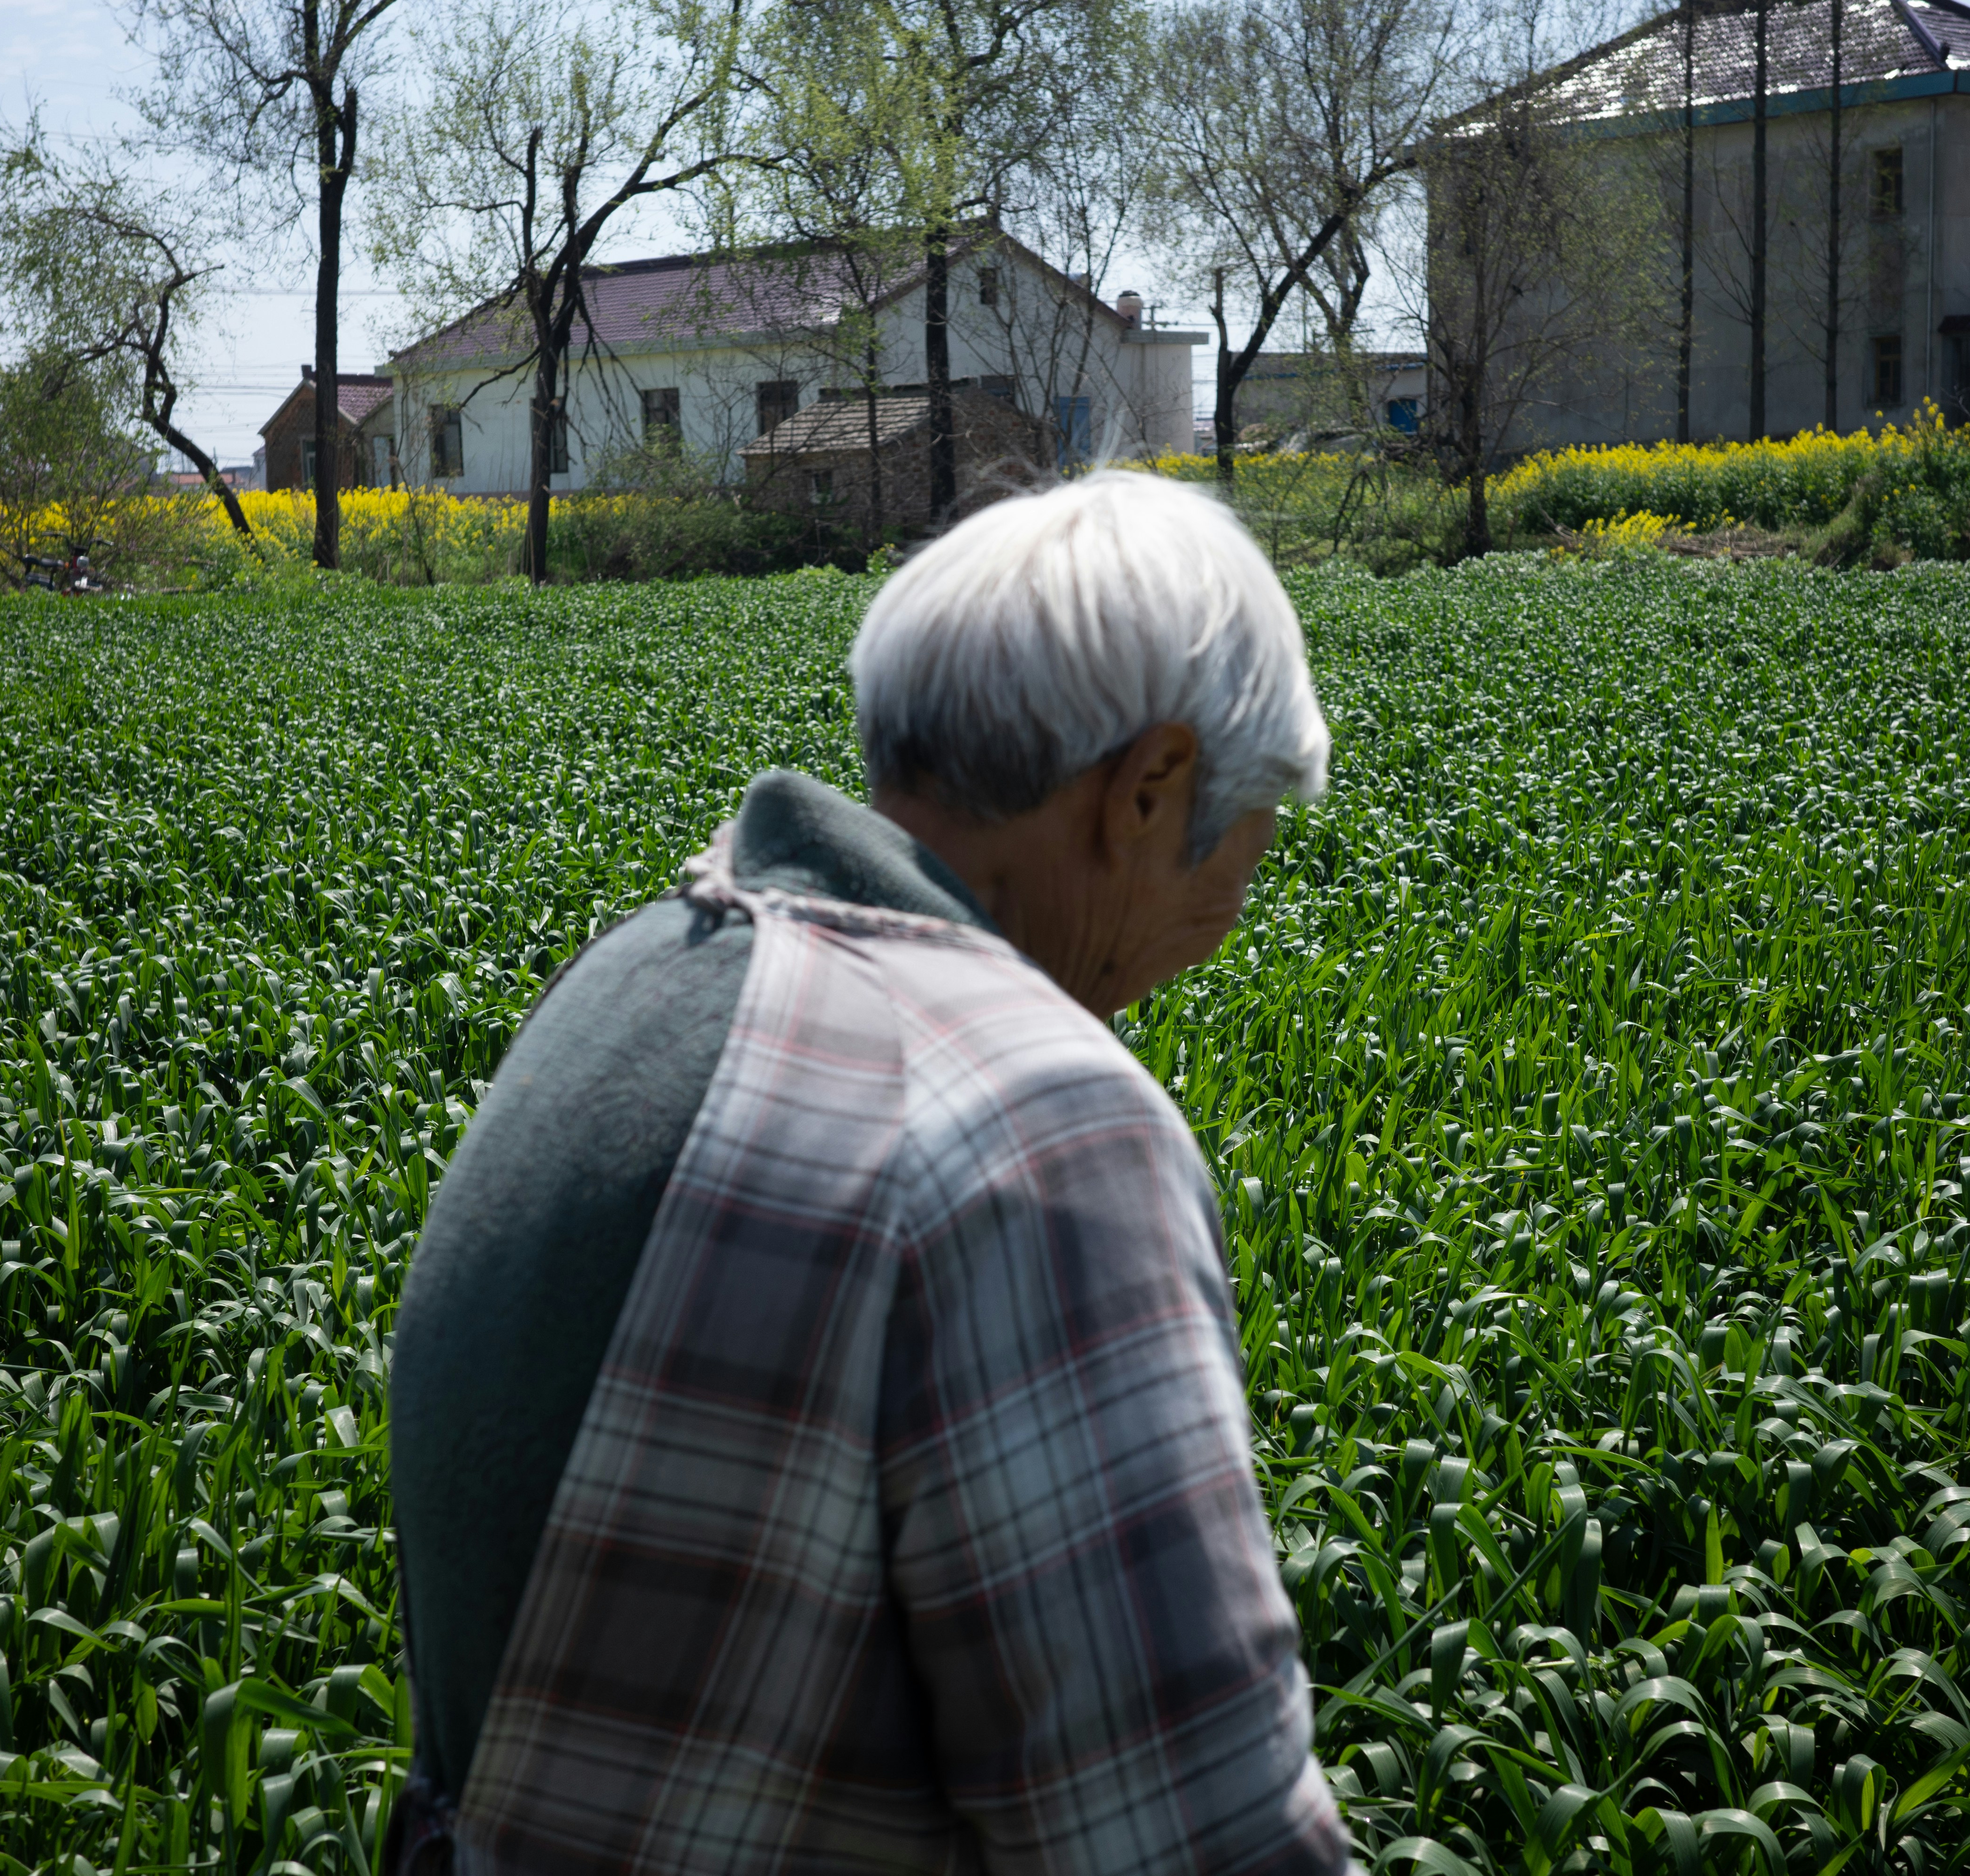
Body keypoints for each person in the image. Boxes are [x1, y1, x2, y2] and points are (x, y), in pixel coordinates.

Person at [385, 470, 1346, 1874]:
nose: (1237, 904)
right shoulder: (1038, 1126)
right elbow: (1197, 1838)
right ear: (1152, 786)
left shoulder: (636, 972)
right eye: (1252, 836)